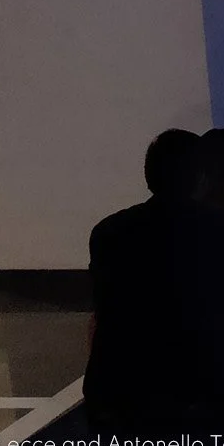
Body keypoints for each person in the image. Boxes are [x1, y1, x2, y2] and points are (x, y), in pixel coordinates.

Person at [84, 128, 208, 424]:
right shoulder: (212, 230)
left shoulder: (109, 229)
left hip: (115, 385)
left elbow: (104, 305)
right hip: (186, 388)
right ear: (201, 177)